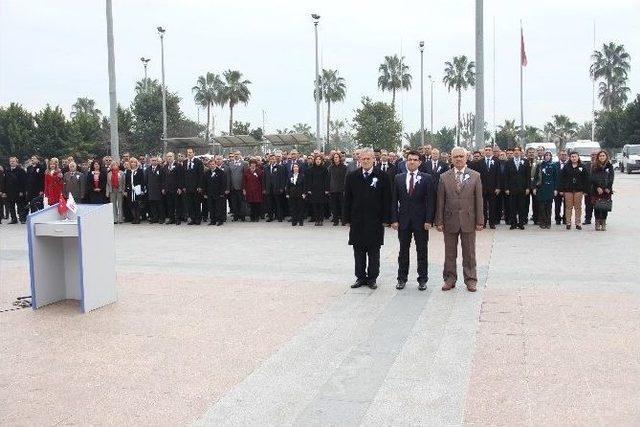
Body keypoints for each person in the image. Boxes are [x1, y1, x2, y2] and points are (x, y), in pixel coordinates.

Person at [435, 146, 484, 292]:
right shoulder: (444, 177)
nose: (458, 159)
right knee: (450, 253)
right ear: (451, 158)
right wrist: (439, 221)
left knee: (469, 252)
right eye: (455, 157)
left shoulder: (475, 176)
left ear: (466, 157)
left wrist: (480, 220)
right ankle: (449, 279)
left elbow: (479, 200)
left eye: (461, 156)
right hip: (449, 220)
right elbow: (440, 201)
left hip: (468, 219)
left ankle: (470, 280)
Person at [343, 148, 391, 290]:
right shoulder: (352, 176)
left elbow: (387, 199)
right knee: (358, 250)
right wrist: (346, 218)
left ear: (373, 160)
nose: (365, 161)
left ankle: (372, 278)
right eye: (362, 159)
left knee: (373, 250)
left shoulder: (382, 176)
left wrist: (386, 218)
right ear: (359, 160)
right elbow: (347, 199)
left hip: (375, 220)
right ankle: (360, 277)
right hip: (357, 220)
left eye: (368, 159)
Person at [391, 150, 436, 291]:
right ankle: (401, 279)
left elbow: (431, 201)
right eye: (410, 159)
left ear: (419, 162)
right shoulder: (398, 178)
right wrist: (394, 219)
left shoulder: (427, 178)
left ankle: (422, 279)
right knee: (403, 251)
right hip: (403, 221)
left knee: (422, 251)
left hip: (421, 221)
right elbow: (393, 200)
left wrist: (429, 220)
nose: (412, 162)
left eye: (415, 159)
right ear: (406, 161)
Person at [559, 152, 589, 230]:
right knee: (568, 207)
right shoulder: (566, 167)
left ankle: (578, 223)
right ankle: (568, 222)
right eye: (572, 157)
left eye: (575, 156)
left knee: (578, 207)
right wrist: (561, 189)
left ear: (578, 157)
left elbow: (586, 179)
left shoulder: (582, 166)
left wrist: (585, 190)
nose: (574, 158)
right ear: (570, 158)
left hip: (579, 190)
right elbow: (562, 179)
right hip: (568, 190)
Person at [504, 146, 531, 230]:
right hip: (512, 188)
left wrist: (528, 187)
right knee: (512, 207)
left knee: (521, 207)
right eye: (514, 151)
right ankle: (513, 223)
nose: (516, 152)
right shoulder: (508, 162)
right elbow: (506, 177)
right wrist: (506, 188)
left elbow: (528, 176)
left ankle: (521, 223)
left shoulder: (525, 162)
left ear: (520, 152)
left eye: (518, 151)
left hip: (522, 188)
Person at [476, 146, 502, 229]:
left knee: (492, 206)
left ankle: (492, 223)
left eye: (489, 150)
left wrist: (498, 187)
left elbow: (498, 175)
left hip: (493, 188)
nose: (487, 151)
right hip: (482, 188)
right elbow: (477, 176)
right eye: (486, 150)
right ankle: (483, 223)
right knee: (483, 207)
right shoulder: (480, 162)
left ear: (492, 152)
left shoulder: (497, 161)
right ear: (484, 152)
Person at [532, 151, 558, 229]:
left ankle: (548, 222)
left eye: (549, 155)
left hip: (550, 187)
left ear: (551, 156)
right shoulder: (540, 165)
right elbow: (536, 177)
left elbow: (556, 178)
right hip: (541, 187)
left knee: (549, 206)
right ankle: (542, 222)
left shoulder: (554, 165)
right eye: (546, 155)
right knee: (542, 206)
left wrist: (556, 189)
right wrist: (534, 188)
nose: (547, 156)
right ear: (544, 156)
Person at [590, 150, 614, 231]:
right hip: (596, 190)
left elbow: (611, 177)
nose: (602, 157)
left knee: (604, 206)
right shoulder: (594, 166)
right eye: (600, 156)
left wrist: (608, 187)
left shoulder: (609, 166)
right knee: (597, 207)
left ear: (606, 156)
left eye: (603, 155)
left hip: (607, 190)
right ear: (598, 157)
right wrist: (597, 187)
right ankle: (597, 223)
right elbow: (592, 178)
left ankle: (603, 222)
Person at [305, 154, 330, 226]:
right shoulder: (311, 169)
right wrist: (309, 189)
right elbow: (309, 180)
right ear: (314, 161)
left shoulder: (324, 169)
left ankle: (321, 220)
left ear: (321, 161)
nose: (318, 161)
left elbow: (327, 180)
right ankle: (316, 220)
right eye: (317, 159)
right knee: (315, 205)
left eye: (319, 159)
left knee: (321, 205)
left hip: (322, 190)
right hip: (314, 190)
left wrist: (326, 189)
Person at [204, 157, 228, 226]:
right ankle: (213, 220)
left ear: (215, 164)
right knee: (211, 208)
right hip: (210, 193)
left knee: (218, 207)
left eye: (213, 164)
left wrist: (222, 193)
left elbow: (223, 183)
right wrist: (205, 193)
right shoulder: (207, 173)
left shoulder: (221, 172)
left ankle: (220, 220)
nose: (212, 165)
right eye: (210, 164)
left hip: (218, 193)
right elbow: (205, 183)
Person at [162, 152, 184, 225]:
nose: (169, 158)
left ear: (174, 157)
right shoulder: (165, 167)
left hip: (176, 189)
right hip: (168, 189)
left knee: (177, 205)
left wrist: (180, 188)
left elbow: (181, 178)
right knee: (170, 205)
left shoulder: (178, 166)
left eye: (170, 156)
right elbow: (163, 178)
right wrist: (163, 188)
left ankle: (178, 219)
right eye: (168, 156)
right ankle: (171, 218)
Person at [183, 148, 204, 225]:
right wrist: (184, 186)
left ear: (194, 153)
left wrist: (199, 186)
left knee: (197, 203)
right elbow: (183, 175)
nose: (189, 154)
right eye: (188, 152)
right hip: (188, 187)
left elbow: (201, 175)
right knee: (190, 204)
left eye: (190, 152)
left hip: (196, 187)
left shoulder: (198, 162)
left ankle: (198, 219)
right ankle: (192, 218)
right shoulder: (185, 162)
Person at [263, 154, 287, 222]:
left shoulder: (280, 167)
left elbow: (283, 178)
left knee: (278, 203)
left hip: (277, 188)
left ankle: (280, 217)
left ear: (275, 159)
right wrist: (264, 188)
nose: (272, 160)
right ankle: (270, 217)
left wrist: (282, 188)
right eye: (271, 159)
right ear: (269, 160)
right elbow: (264, 179)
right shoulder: (266, 167)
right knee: (269, 204)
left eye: (273, 159)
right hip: (268, 189)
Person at [124, 157, 145, 224]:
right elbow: (126, 181)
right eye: (132, 162)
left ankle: (138, 218)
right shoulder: (128, 171)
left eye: (134, 162)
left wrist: (142, 190)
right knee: (131, 204)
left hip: (137, 190)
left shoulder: (140, 171)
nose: (133, 163)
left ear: (136, 163)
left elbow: (142, 181)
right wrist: (125, 190)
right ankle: (134, 217)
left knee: (137, 204)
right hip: (130, 190)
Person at [328, 152, 347, 226]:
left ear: (340, 158)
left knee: (342, 205)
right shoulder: (330, 168)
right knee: (334, 206)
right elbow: (328, 178)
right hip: (333, 189)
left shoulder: (344, 167)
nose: (336, 158)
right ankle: (335, 220)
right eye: (334, 157)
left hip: (342, 189)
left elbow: (346, 178)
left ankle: (343, 220)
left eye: (337, 157)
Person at [145, 157, 165, 224]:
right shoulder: (148, 169)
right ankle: (154, 218)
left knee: (160, 205)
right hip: (151, 190)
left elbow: (163, 180)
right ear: (150, 161)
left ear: (157, 161)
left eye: (155, 160)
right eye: (152, 160)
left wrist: (163, 188)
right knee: (152, 205)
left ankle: (161, 218)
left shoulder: (161, 169)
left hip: (159, 190)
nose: (154, 162)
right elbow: (146, 180)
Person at [228, 152, 247, 221]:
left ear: (240, 155)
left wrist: (244, 187)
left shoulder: (244, 163)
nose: (236, 155)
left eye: (237, 154)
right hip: (233, 187)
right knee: (234, 202)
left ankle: (242, 216)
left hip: (241, 187)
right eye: (235, 155)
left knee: (241, 202)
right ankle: (236, 216)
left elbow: (245, 176)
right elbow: (229, 176)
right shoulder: (230, 164)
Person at [554, 150, 568, 225]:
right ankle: (557, 219)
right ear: (559, 156)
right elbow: (554, 178)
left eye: (565, 155)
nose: (563, 156)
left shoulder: (570, 165)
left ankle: (565, 218)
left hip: (567, 189)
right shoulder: (555, 165)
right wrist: (556, 189)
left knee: (567, 205)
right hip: (557, 188)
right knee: (557, 205)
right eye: (562, 154)